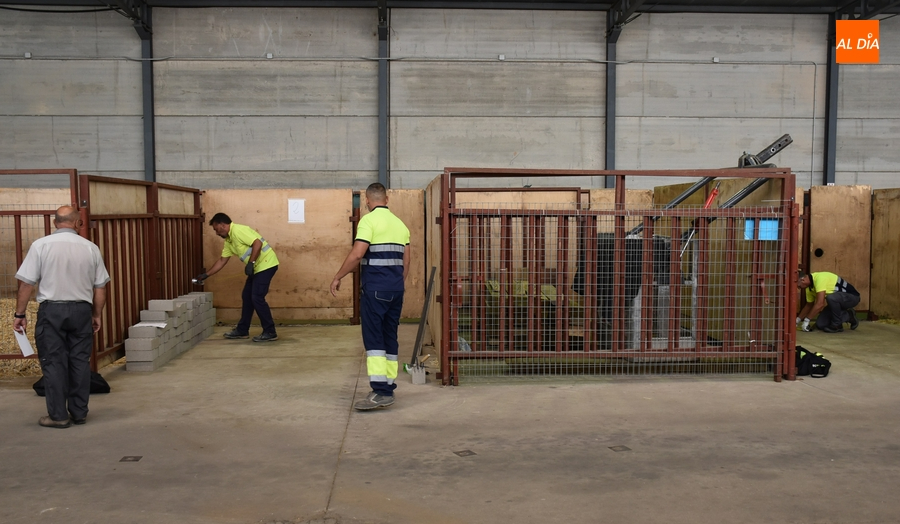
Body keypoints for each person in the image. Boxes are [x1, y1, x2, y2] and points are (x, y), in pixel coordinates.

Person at [13, 206, 110, 429]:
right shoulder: (91, 248)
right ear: (78, 224)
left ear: (55, 223)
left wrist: (20, 314)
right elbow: (100, 287)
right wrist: (96, 315)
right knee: (79, 361)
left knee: (54, 362)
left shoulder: (41, 245)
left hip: (52, 312)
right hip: (81, 311)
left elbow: (27, 283)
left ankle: (58, 416)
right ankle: (79, 413)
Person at [331, 183, 410, 411]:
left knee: (374, 339)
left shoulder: (368, 221)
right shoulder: (400, 224)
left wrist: (338, 276)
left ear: (367, 200)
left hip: (375, 290)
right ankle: (388, 384)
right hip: (395, 290)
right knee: (389, 336)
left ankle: (380, 391)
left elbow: (357, 254)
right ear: (387, 199)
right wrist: (397, 284)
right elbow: (407, 261)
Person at [196, 213, 279, 342]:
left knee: (257, 297)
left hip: (266, 265)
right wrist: (207, 274)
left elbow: (257, 243)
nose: (216, 233)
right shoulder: (229, 240)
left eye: (215, 229)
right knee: (247, 296)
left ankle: (270, 331)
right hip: (257, 268)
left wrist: (251, 263)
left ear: (222, 225)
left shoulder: (238, 230)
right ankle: (242, 330)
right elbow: (222, 260)